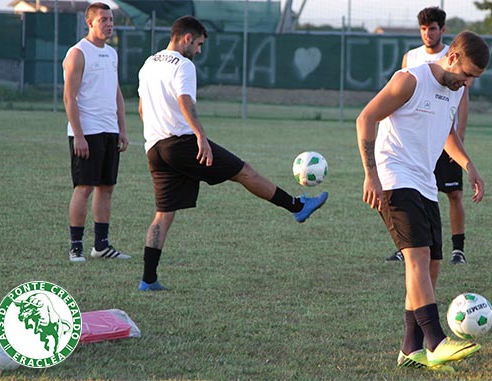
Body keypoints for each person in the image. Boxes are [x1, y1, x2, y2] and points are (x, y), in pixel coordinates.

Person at [136, 16, 328, 291]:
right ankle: (297, 207)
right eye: (199, 44)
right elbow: (185, 101)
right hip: (181, 143)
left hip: (155, 147)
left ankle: (148, 279)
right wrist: (201, 137)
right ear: (187, 38)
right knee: (244, 171)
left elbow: (142, 109)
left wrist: (157, 132)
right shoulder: (183, 65)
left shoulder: (149, 63)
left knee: (163, 214)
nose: (199, 51)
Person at [356, 31, 490, 370]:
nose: (468, 83)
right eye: (467, 74)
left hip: (424, 183)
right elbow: (366, 118)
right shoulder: (410, 80)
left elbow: (446, 133)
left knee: (431, 267)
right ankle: (437, 341)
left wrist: (469, 165)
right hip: (394, 177)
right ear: (453, 57)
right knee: (416, 258)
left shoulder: (453, 91)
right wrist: (371, 174)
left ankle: (410, 348)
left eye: (475, 79)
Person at [386, 6, 471, 265]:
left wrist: (460, 138)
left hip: (443, 137)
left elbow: (462, 102)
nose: (427, 33)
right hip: (414, 146)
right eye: (423, 29)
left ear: (442, 30)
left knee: (453, 193)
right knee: (415, 193)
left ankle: (458, 248)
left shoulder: (455, 59)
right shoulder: (410, 58)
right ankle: (407, 246)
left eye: (432, 28)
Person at [63, 2, 130, 262]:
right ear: (90, 23)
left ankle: (101, 246)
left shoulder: (112, 53)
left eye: (110, 19)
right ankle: (76, 246)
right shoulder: (78, 53)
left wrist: (122, 128)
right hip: (87, 131)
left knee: (106, 187)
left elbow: (116, 93)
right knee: (84, 187)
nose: (109, 23)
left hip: (109, 130)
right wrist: (78, 134)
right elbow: (69, 98)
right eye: (103, 19)